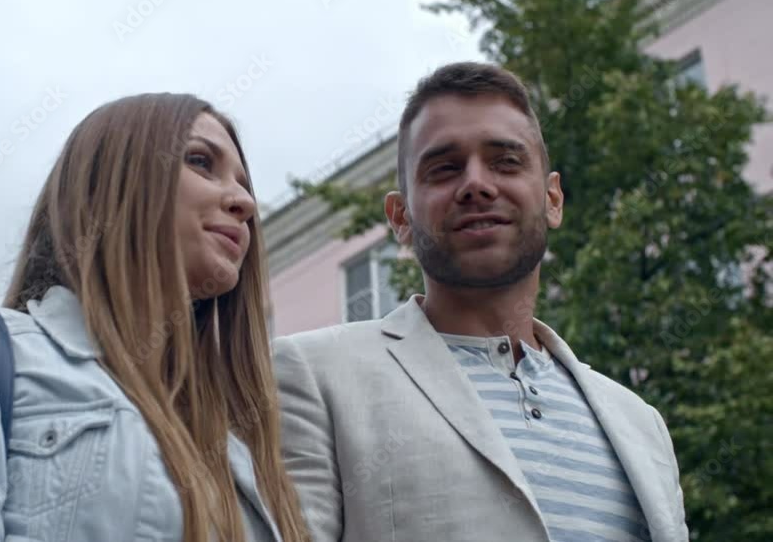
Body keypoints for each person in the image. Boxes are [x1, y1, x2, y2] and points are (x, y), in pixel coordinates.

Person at [0, 93, 310, 542]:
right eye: (200, 162)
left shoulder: (243, 448)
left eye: (244, 185)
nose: (245, 202)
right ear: (111, 182)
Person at [273, 62, 689, 542]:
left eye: (506, 162)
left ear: (553, 199)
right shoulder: (313, 377)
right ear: (401, 217)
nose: (476, 184)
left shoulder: (641, 424)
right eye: (445, 168)